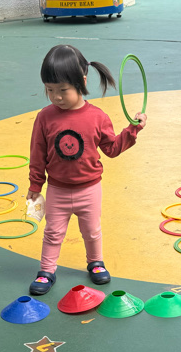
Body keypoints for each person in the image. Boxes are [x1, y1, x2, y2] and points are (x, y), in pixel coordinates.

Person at [26, 44, 146, 295]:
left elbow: (112, 148)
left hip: (89, 190)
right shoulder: (45, 117)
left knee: (92, 231)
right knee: (52, 232)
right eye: (50, 90)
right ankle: (46, 271)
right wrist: (35, 185)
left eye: (63, 90)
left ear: (81, 82)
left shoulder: (97, 117)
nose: (56, 97)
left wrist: (132, 129)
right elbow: (37, 154)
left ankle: (95, 262)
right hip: (57, 189)